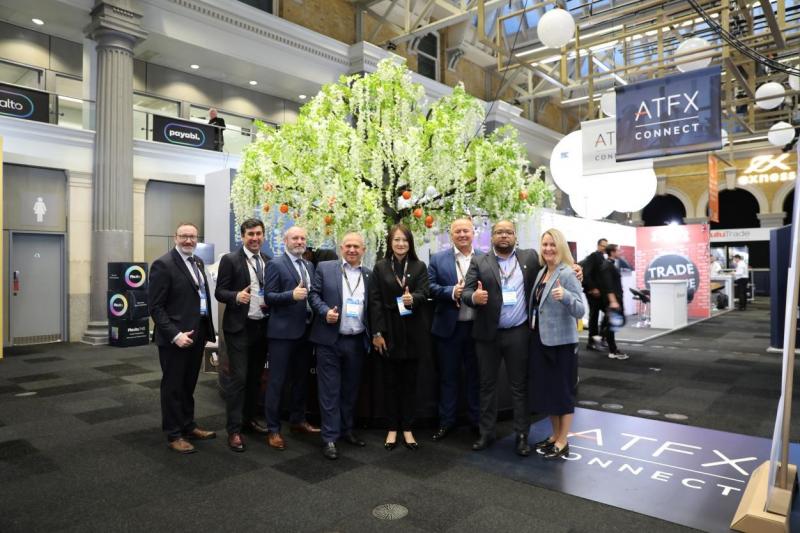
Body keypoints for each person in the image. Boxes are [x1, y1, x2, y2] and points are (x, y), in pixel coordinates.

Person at [461, 220, 539, 457]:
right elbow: (466, 292)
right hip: (488, 334)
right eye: (499, 232)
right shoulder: (480, 261)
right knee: (487, 386)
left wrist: (575, 268)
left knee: (519, 386)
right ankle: (487, 433)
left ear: (515, 236)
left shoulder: (529, 257)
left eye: (508, 232)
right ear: (492, 237)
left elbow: (552, 268)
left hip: (518, 333)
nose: (504, 236)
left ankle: (522, 435)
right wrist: (474, 297)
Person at [149, 222, 217, 454]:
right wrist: (175, 335)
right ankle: (174, 434)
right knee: (173, 387)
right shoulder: (163, 264)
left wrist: (206, 331)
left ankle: (188, 425)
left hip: (196, 334)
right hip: (175, 338)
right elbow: (156, 307)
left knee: (188, 385)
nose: (188, 240)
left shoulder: (197, 262)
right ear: (175, 238)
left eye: (192, 237)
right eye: (184, 236)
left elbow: (199, 297)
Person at [309, 233, 372, 460]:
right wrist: (325, 311)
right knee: (329, 391)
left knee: (351, 390)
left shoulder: (369, 275)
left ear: (363, 250)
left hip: (356, 341)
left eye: (356, 246)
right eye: (348, 246)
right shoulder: (325, 268)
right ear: (341, 248)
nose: (352, 250)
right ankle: (330, 438)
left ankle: (347, 430)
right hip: (329, 341)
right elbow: (313, 295)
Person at [369, 224, 430, 451]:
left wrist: (413, 298)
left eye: (404, 240)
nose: (400, 244)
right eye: (396, 240)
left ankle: (407, 427)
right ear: (390, 243)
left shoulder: (419, 266)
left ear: (410, 243)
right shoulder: (380, 267)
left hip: (413, 331)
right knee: (390, 382)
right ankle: (392, 427)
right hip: (389, 330)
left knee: (410, 383)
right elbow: (374, 301)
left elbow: (425, 291)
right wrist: (377, 333)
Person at [214, 218, 271, 452]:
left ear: (263, 235)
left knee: (255, 377)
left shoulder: (267, 260)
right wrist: (236, 296)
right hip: (239, 328)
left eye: (258, 234)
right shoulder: (230, 260)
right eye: (250, 234)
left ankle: (248, 420)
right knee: (239, 378)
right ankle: (234, 430)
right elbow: (220, 292)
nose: (255, 238)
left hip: (262, 327)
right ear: (243, 236)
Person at [529, 228, 585, 460]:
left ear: (560, 247)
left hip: (562, 344)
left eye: (553, 244)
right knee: (549, 392)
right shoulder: (542, 272)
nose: (548, 249)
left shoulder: (568, 273)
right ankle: (554, 435)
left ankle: (563, 440)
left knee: (563, 393)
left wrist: (566, 297)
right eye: (545, 244)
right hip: (541, 342)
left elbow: (580, 310)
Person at [263, 226, 320, 450]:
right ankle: (273, 429)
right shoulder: (275, 264)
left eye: (303, 238)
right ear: (285, 241)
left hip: (305, 332)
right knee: (277, 382)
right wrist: (291, 295)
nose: (299, 241)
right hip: (282, 335)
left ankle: (297, 420)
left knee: (301, 380)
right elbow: (269, 297)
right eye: (295, 238)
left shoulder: (309, 265)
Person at [427, 218, 481, 441]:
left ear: (473, 233)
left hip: (477, 329)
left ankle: (476, 422)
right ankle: (446, 422)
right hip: (449, 329)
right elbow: (429, 287)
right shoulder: (438, 259)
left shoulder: (484, 258)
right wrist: (451, 292)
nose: (462, 235)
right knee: (448, 378)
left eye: (465, 231)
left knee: (475, 378)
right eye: (457, 231)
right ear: (451, 236)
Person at [600, 244, 628, 360]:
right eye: (618, 250)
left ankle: (600, 337)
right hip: (613, 300)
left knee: (611, 323)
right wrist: (613, 301)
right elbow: (608, 285)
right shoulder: (607, 265)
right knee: (612, 325)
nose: (620, 252)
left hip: (616, 298)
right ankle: (613, 351)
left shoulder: (610, 264)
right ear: (612, 252)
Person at [581, 239, 607, 351]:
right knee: (594, 316)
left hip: (600, 293)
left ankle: (599, 338)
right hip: (592, 293)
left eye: (606, 246)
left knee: (608, 313)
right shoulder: (593, 256)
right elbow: (586, 273)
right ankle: (592, 342)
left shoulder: (602, 258)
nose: (604, 248)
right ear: (598, 246)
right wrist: (592, 288)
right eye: (603, 246)